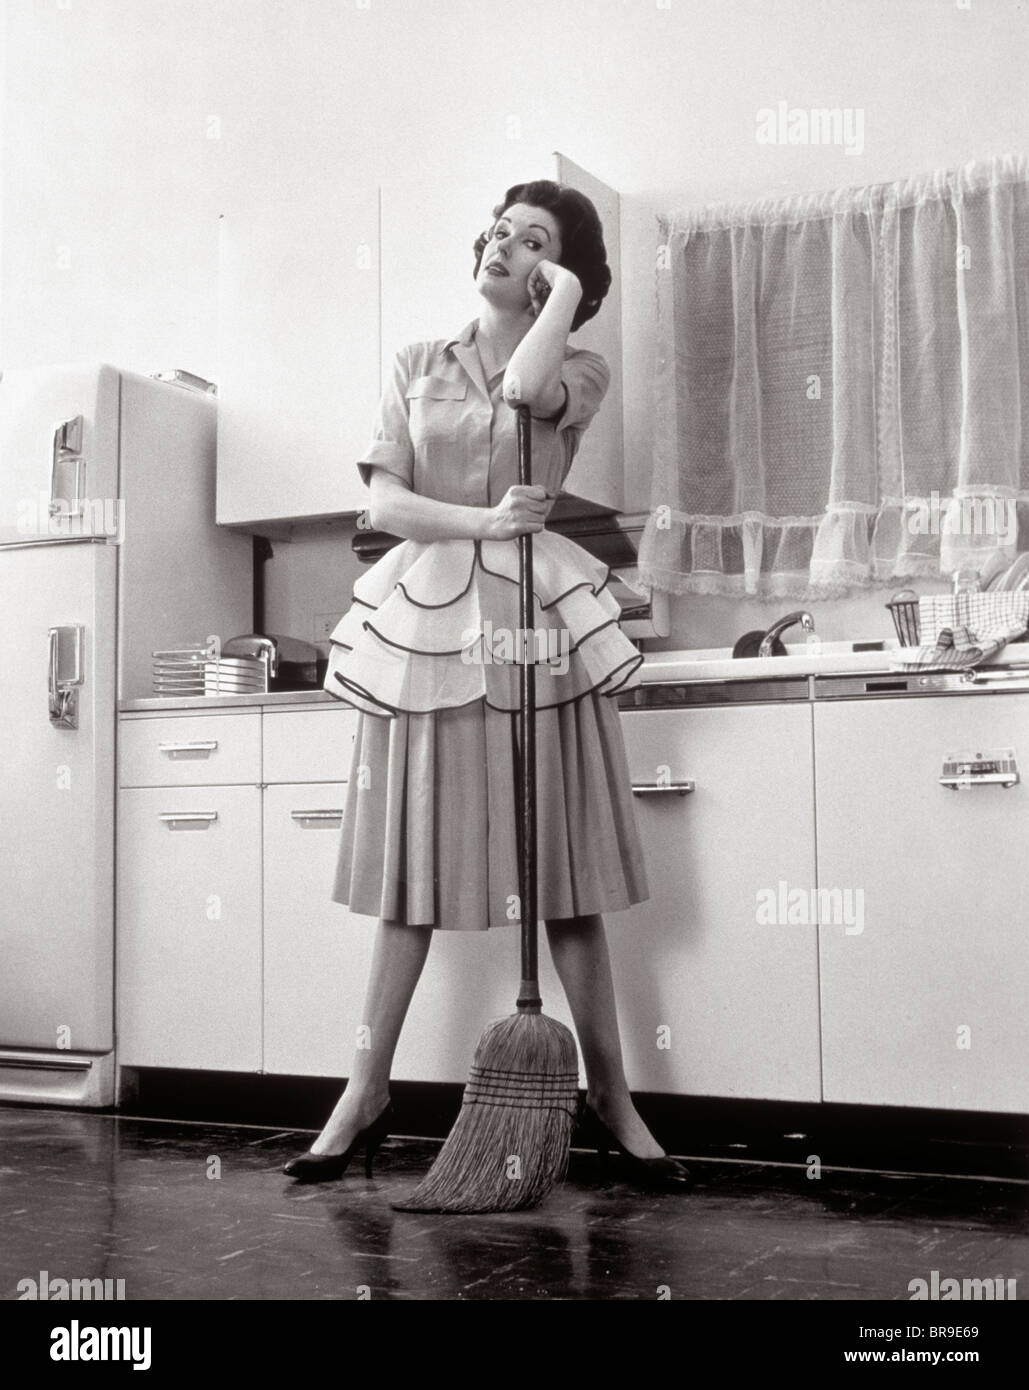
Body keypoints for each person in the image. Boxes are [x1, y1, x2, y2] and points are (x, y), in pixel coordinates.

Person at [283, 180, 690, 1191]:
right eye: (500, 228)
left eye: (535, 239)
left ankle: (610, 1094)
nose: (505, 242)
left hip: (538, 630)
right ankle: (363, 1090)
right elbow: (383, 498)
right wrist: (484, 524)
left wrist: (556, 296)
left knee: (566, 883)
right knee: (409, 881)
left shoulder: (577, 365)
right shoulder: (417, 361)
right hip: (429, 630)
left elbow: (523, 394)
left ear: (565, 277)